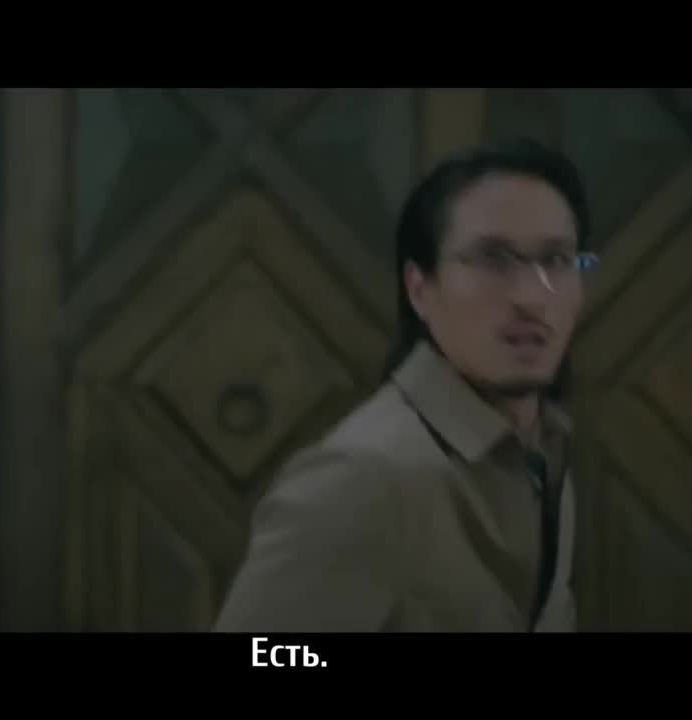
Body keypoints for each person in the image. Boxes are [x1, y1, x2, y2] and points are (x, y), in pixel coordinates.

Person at [213, 140, 597, 633]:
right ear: (420, 288)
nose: (530, 296)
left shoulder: (544, 450)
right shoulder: (362, 479)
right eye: (493, 259)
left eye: (557, 260)